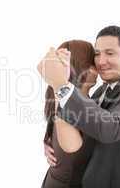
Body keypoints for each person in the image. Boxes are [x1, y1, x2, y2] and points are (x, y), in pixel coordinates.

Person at [38, 26, 120, 188]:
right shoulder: (98, 93)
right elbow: (85, 131)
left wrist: (60, 84)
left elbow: (110, 128)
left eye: (110, 53)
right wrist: (53, 143)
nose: (101, 61)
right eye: (97, 54)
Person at [40, 40, 98, 188]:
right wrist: (59, 82)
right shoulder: (64, 102)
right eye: (94, 60)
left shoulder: (85, 100)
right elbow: (71, 147)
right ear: (90, 69)